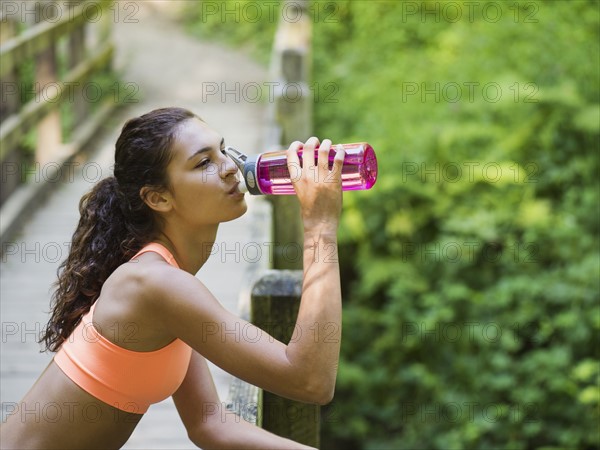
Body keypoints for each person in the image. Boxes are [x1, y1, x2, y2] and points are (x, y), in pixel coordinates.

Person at [0, 107, 345, 449]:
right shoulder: (155, 284)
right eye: (203, 163)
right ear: (158, 198)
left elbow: (209, 423)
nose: (229, 168)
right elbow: (309, 380)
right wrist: (320, 227)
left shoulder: (167, 280)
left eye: (223, 150)